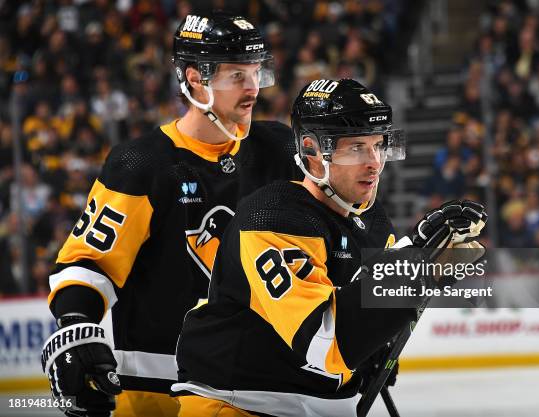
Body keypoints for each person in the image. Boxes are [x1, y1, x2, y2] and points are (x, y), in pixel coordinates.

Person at [171, 79, 487, 417]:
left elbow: (367, 300)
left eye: (379, 146)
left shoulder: (375, 223)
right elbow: (323, 343)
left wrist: (423, 267)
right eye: (356, 148)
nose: (374, 163)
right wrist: (414, 266)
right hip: (237, 402)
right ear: (312, 151)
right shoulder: (272, 217)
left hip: (323, 406)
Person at [41, 12, 301, 417]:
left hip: (255, 388)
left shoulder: (281, 150)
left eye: (256, 73)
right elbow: (89, 263)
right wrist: (76, 326)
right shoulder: (142, 164)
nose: (252, 88)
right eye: (237, 76)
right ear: (196, 78)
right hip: (156, 391)